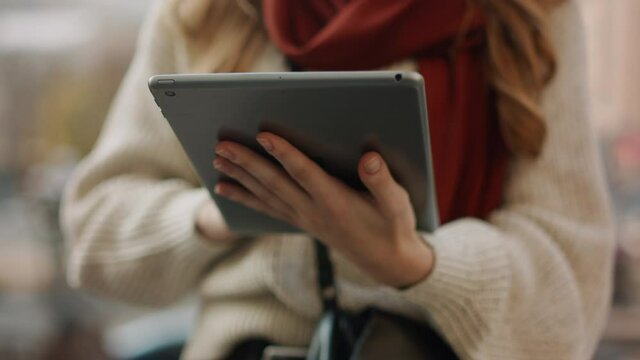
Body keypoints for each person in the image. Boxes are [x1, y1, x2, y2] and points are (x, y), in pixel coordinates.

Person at [61, 0, 616, 359]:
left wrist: (417, 264)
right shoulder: (203, 12)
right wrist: (225, 207)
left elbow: (572, 300)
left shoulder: (529, 15)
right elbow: (92, 238)